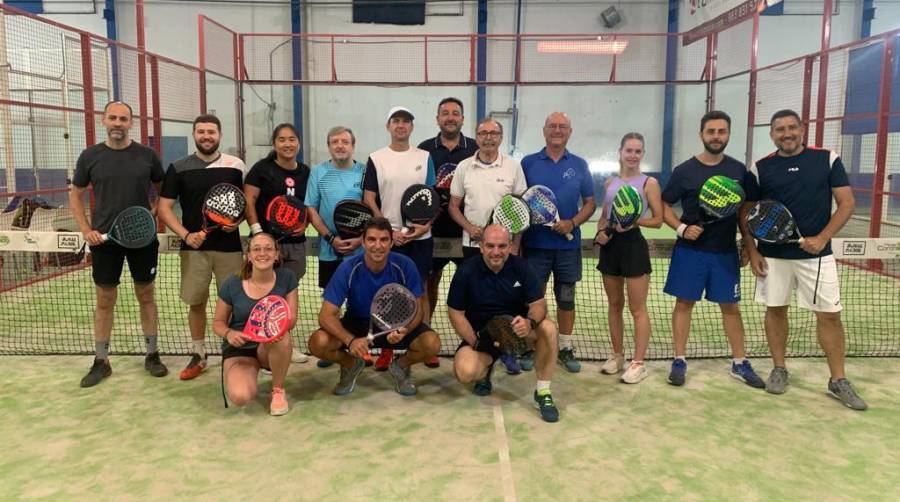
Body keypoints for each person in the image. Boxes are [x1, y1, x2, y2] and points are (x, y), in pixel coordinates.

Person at [742, 109, 867, 410]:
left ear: (802, 129)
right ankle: (779, 368)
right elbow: (747, 212)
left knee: (829, 315)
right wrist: (753, 249)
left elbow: (846, 203)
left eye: (792, 128)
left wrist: (823, 237)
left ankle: (838, 380)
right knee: (775, 311)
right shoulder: (760, 168)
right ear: (772, 134)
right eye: (780, 129)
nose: (787, 134)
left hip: (817, 256)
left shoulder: (827, 159)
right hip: (773, 256)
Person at [661, 110, 764, 389]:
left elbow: (744, 211)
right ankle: (679, 359)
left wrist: (747, 243)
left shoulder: (738, 171)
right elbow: (664, 205)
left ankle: (739, 362)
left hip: (725, 253)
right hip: (690, 252)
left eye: (721, 132)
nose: (716, 137)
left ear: (728, 134)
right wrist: (681, 228)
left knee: (730, 307)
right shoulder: (684, 171)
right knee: (684, 305)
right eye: (711, 132)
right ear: (701, 134)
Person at [69, 101, 168, 387]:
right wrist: (86, 229)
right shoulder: (90, 156)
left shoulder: (147, 156)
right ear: (103, 120)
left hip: (142, 240)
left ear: (131, 123)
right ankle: (101, 361)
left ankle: (152, 355)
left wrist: (151, 212)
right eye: (112, 118)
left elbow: (164, 192)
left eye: (123, 119)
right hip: (104, 242)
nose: (117, 123)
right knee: (104, 300)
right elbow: (75, 196)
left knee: (146, 295)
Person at [307, 217, 442, 396]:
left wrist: (405, 329)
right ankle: (352, 364)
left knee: (432, 344)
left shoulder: (405, 265)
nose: (377, 246)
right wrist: (350, 340)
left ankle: (400, 366)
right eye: (371, 239)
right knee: (318, 343)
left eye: (384, 239)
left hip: (395, 323)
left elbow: (418, 309)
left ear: (392, 242)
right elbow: (325, 315)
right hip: (358, 324)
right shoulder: (348, 268)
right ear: (363, 242)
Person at [158, 114, 248, 381]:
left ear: (220, 135)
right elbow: (164, 208)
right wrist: (186, 235)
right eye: (201, 132)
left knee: (233, 303)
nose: (206, 136)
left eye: (211, 131)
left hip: (230, 249)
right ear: (194, 135)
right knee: (196, 302)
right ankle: (199, 354)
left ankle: (234, 351)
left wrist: (238, 222)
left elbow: (244, 203)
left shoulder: (235, 166)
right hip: (194, 250)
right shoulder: (178, 167)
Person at [447, 224, 560, 423]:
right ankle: (488, 366)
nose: (496, 252)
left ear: (509, 246)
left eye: (501, 246)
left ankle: (543, 393)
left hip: (517, 332)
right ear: (481, 246)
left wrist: (529, 322)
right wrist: (476, 344)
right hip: (483, 336)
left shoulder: (522, 267)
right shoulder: (466, 271)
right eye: (490, 246)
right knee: (465, 372)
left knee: (549, 328)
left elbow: (539, 304)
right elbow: (455, 312)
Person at [448, 117, 527, 374]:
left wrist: (514, 245)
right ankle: (479, 345)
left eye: (494, 133)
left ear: (501, 137)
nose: (488, 137)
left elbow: (521, 210)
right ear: (476, 137)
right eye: (483, 133)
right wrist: (470, 228)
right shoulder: (463, 167)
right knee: (476, 301)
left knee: (508, 299)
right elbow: (453, 206)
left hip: (504, 248)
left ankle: (507, 348)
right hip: (472, 246)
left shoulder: (513, 167)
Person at [520, 112, 596, 374]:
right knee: (533, 298)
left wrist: (572, 223)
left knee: (566, 299)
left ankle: (564, 346)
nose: (557, 130)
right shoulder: (528, 163)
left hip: (567, 248)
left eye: (562, 126)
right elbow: (520, 201)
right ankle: (531, 344)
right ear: (544, 131)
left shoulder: (580, 164)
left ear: (570, 132)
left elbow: (590, 203)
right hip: (535, 246)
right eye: (552, 126)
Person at [363, 107, 436, 371]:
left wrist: (422, 226)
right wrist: (386, 230)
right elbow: (369, 196)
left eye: (406, 121)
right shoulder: (376, 158)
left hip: (420, 237)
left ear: (412, 127)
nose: (401, 125)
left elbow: (431, 196)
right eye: (396, 121)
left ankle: (424, 344)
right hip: (389, 239)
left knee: (422, 291)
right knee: (387, 294)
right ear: (388, 126)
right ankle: (385, 348)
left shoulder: (425, 157)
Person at [593, 132, 663, 383]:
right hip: (612, 247)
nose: (633, 155)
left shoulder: (649, 183)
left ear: (642, 154)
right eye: (629, 150)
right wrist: (600, 232)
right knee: (614, 305)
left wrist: (634, 221)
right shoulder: (610, 183)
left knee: (637, 308)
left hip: (634, 246)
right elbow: (604, 215)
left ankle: (638, 363)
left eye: (638, 151)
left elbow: (658, 219)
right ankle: (617, 355)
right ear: (620, 152)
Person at [417, 97, 478, 369]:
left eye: (456, 113)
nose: (450, 117)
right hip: (432, 234)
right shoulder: (424, 150)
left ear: (463, 119)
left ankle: (476, 340)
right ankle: (426, 340)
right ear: (437, 118)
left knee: (475, 289)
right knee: (428, 287)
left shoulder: (475, 149)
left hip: (468, 234)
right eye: (445, 113)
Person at [244, 123, 310, 364]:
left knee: (287, 293)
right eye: (282, 139)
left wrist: (306, 225)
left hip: (295, 244)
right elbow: (249, 201)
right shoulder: (261, 169)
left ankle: (285, 345)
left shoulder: (305, 172)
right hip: (266, 245)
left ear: (298, 143)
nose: (287, 144)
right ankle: (258, 346)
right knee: (263, 293)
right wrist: (258, 232)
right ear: (274, 144)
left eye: (292, 139)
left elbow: (308, 206)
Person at [212, 233, 296, 416]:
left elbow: (291, 319)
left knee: (283, 337)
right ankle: (248, 372)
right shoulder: (231, 284)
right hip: (240, 349)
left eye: (268, 248)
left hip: (269, 345)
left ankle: (278, 390)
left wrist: (269, 332)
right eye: (256, 249)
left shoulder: (287, 277)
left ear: (276, 255)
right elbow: (218, 323)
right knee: (241, 396)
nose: (262, 253)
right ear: (248, 256)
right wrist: (229, 334)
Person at [305, 126, 366, 369]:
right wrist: (331, 239)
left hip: (360, 251)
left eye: (344, 141)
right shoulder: (318, 172)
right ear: (328, 145)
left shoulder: (364, 172)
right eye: (334, 142)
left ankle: (360, 345)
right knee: (332, 302)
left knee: (359, 300)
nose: (340, 145)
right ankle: (334, 346)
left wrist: (360, 240)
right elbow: (311, 209)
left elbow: (371, 209)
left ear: (353, 145)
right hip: (330, 250)